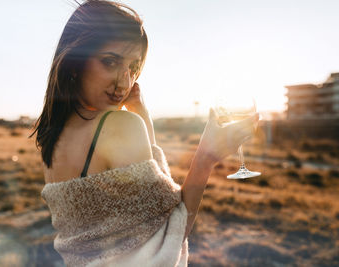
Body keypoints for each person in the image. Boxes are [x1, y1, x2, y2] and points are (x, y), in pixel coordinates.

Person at [31, 1, 259, 266]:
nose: (124, 82)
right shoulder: (118, 126)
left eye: (133, 67)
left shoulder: (51, 138)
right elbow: (171, 233)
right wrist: (206, 157)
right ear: (74, 62)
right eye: (110, 62)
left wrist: (141, 114)